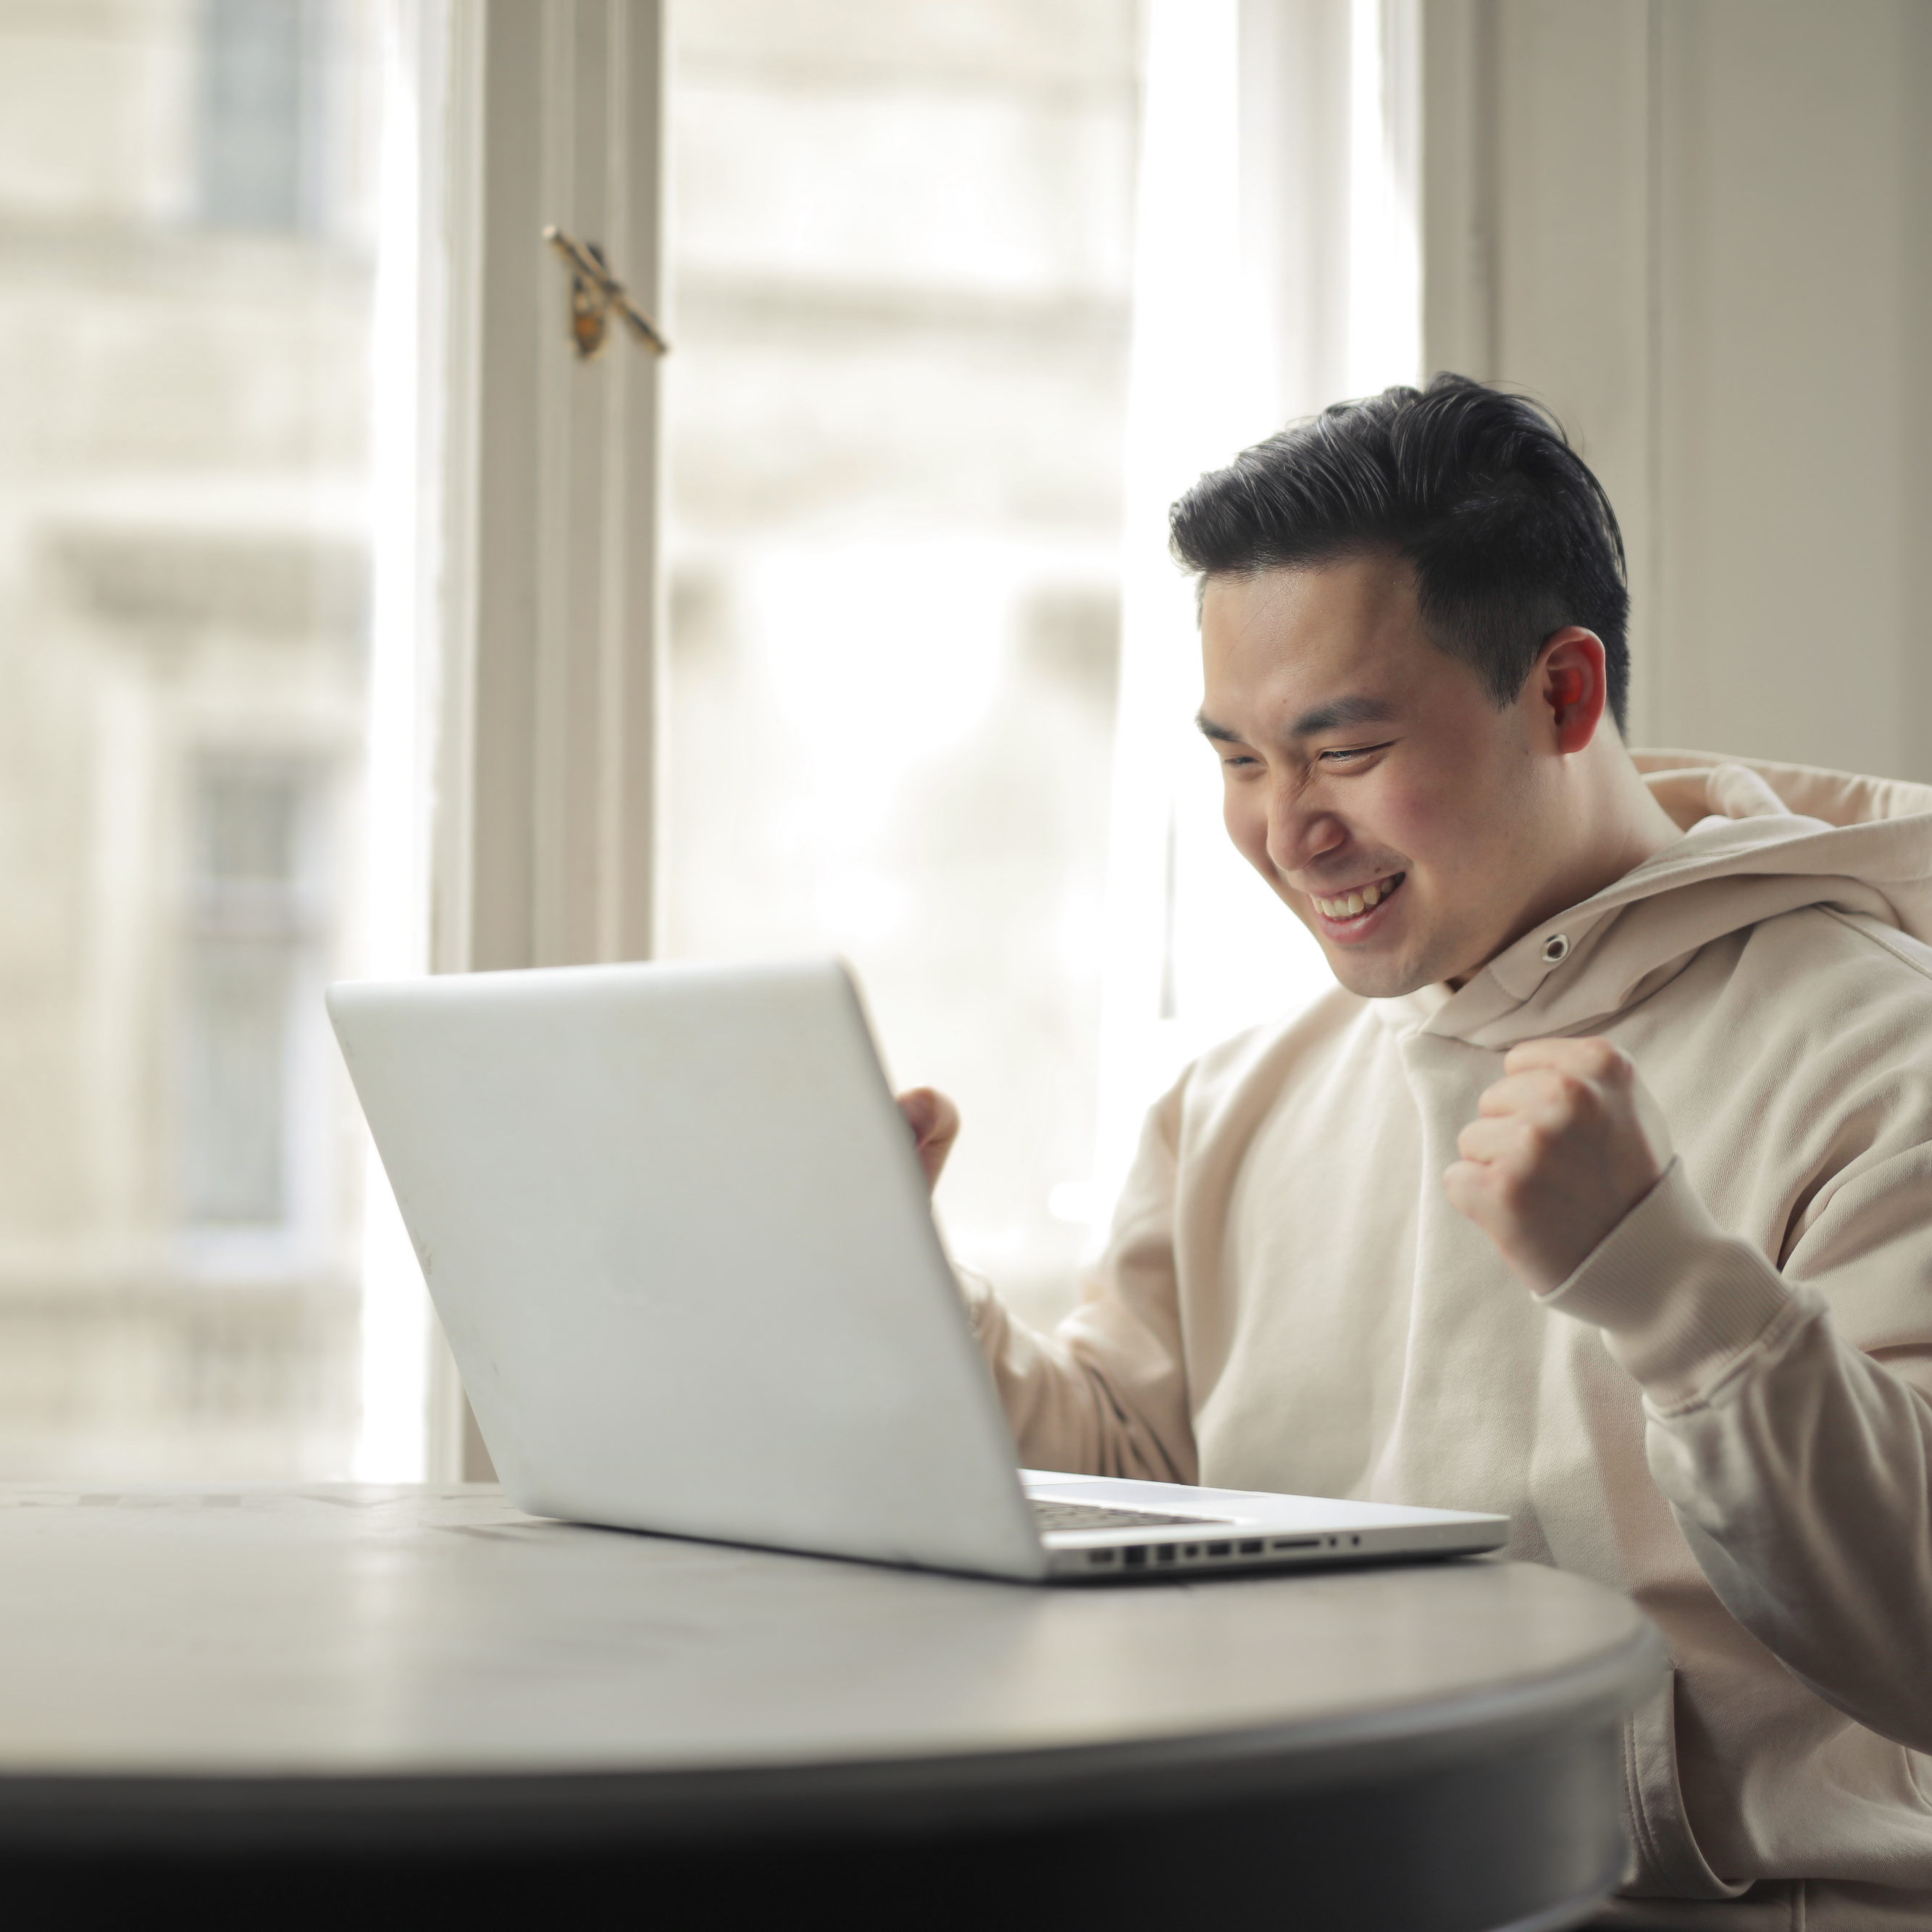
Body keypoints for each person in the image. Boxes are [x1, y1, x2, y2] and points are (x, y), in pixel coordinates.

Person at [898, 375, 1932, 1930]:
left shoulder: (1878, 1049)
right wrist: (894, 1293)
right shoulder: (1238, 1099)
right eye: (1240, 761)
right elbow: (1136, 1483)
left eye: (1346, 747)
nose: (1284, 829)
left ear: (1564, 694)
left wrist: (1670, 1290)